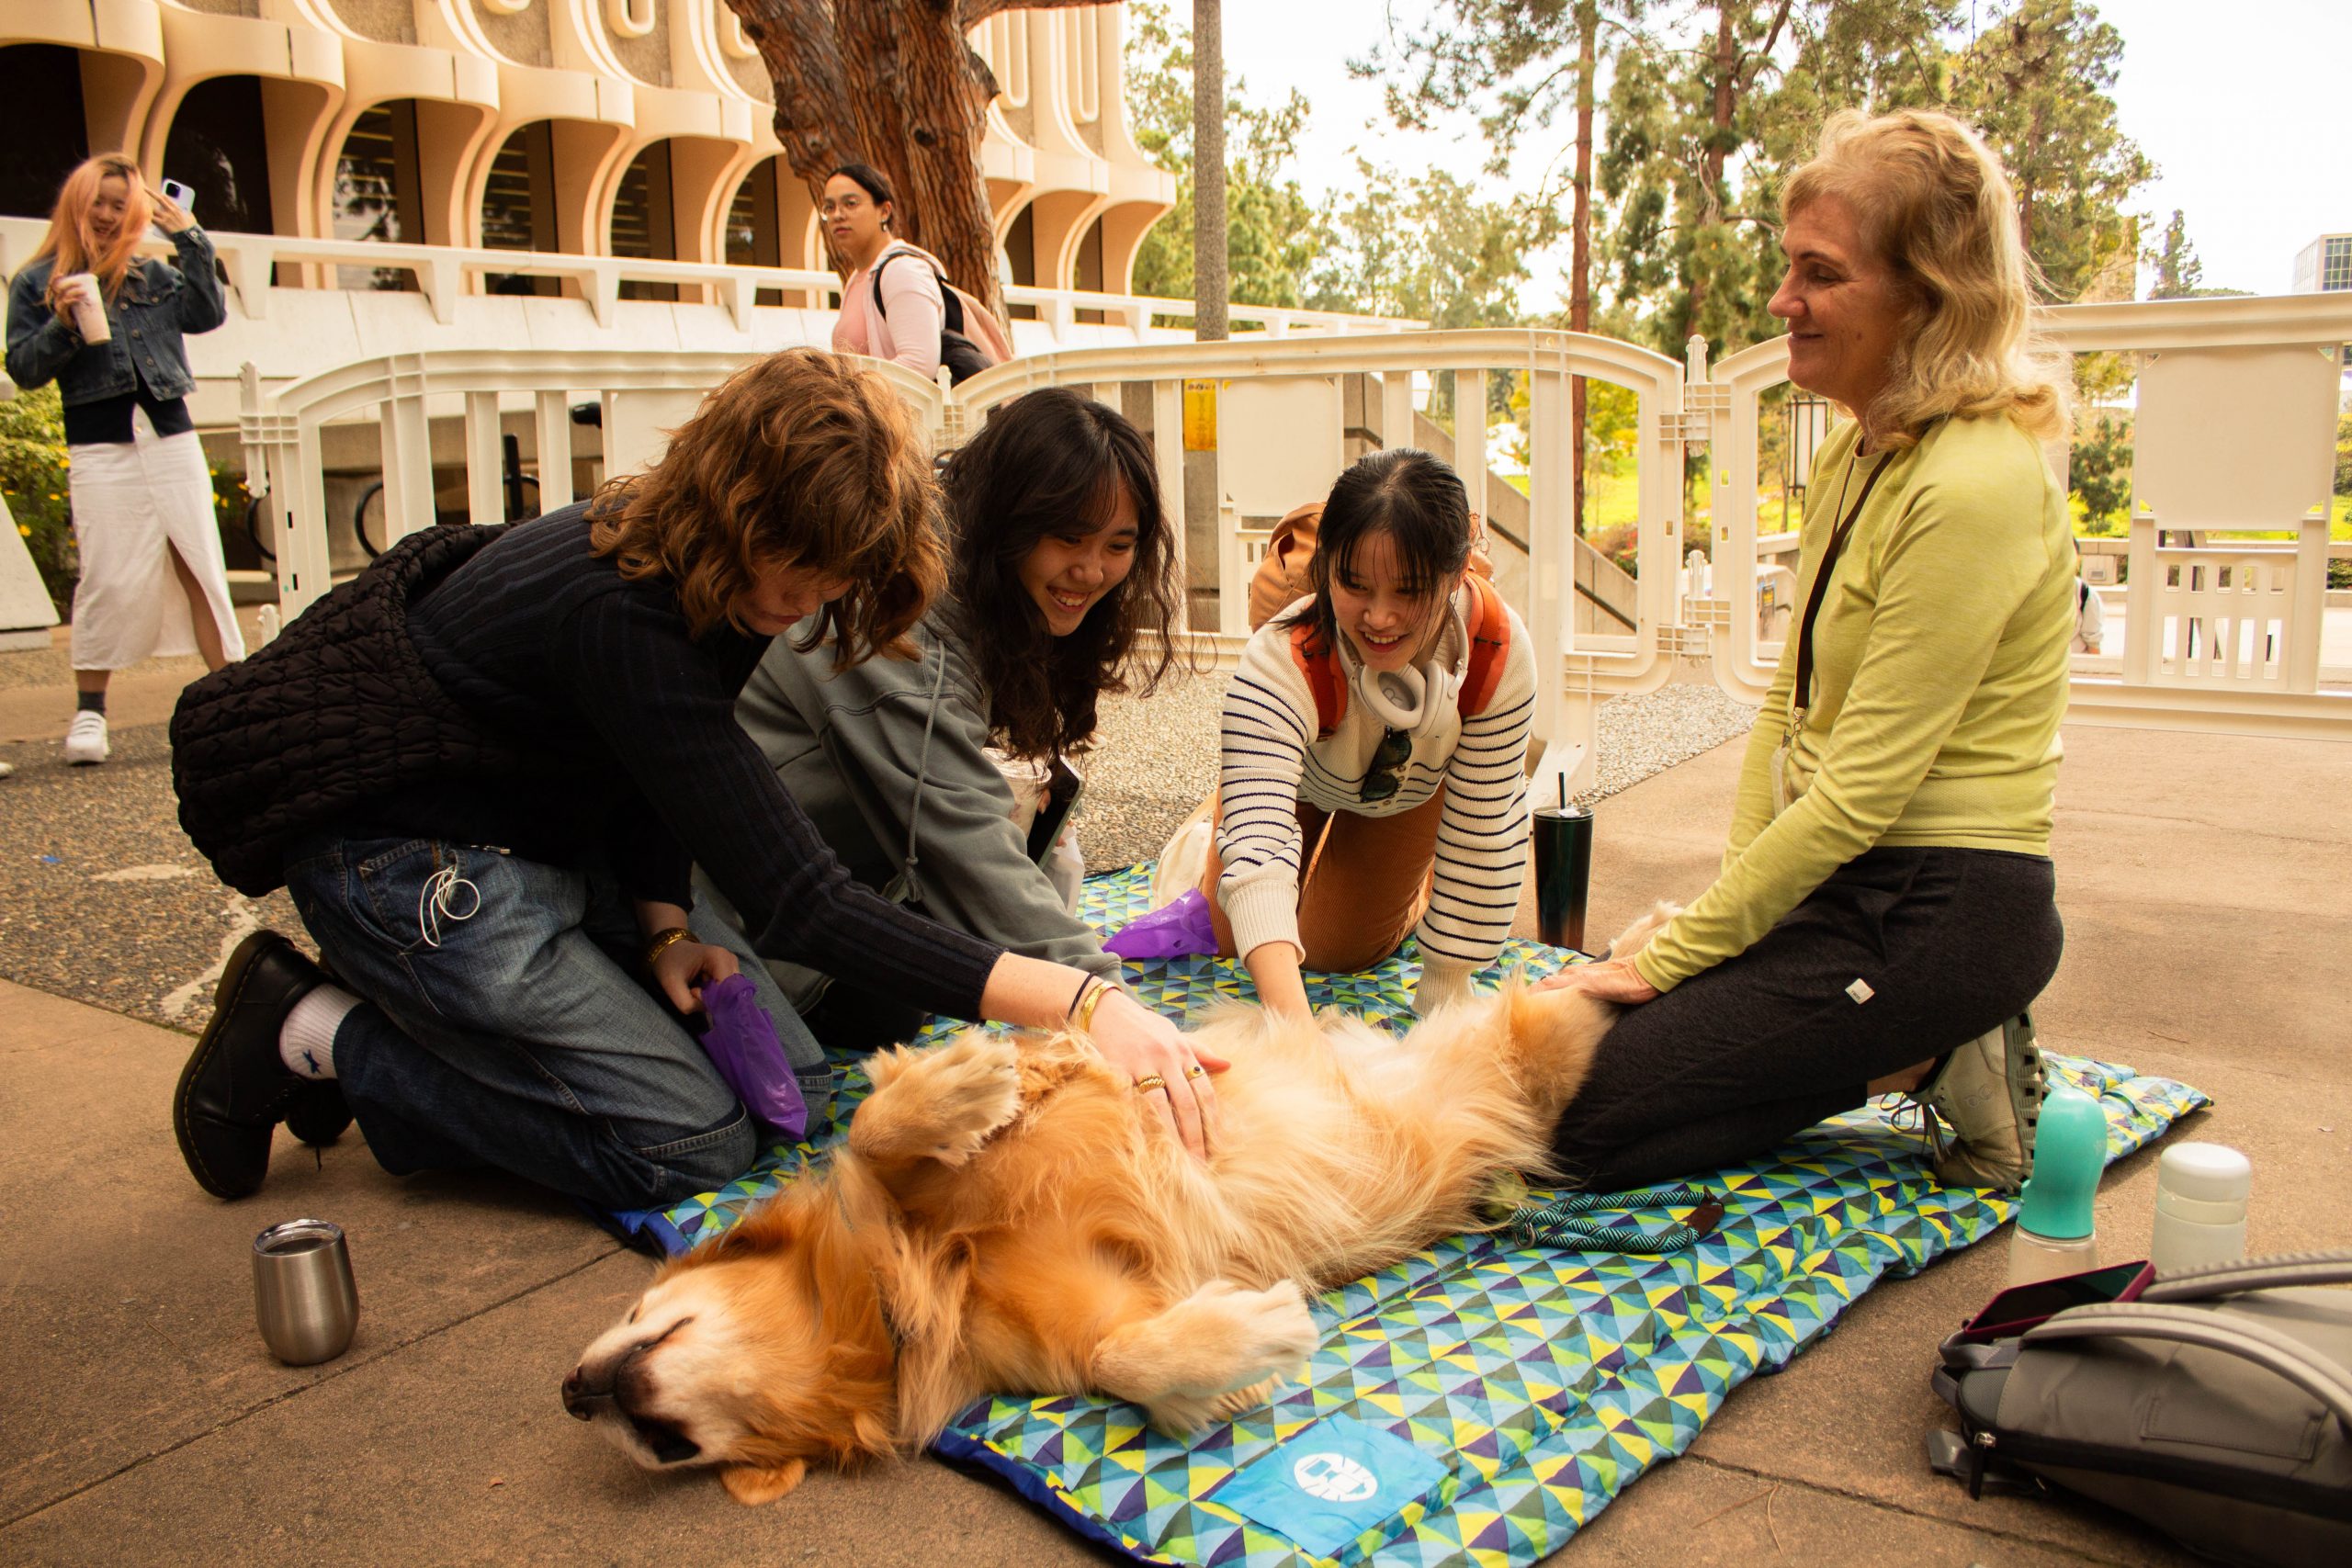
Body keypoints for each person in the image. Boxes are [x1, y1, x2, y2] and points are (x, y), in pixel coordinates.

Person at [167, 350, 1221, 1214]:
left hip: (545, 843)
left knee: (802, 1100)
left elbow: (641, 768)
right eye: (799, 566)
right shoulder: (624, 610)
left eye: (837, 573)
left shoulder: (725, 581)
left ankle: (433, 1023)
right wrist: (1084, 1002)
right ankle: (315, 1031)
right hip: (412, 862)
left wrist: (667, 925)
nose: (814, 598)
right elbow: (801, 901)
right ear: (734, 504)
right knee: (693, 1142)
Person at [1537, 107, 2076, 1193]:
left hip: (1944, 906)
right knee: (1552, 1078)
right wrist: (1724, 920)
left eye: (1818, 274)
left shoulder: (1973, 484)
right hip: (1845, 886)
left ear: (1926, 295)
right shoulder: (1862, 449)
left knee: (1572, 1129)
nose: (1782, 301)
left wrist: (1672, 959)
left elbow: (1862, 794)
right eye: (1789, 267)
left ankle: (1922, 1046)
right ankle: (1883, 1044)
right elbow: (1785, 715)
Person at [718, 386, 1183, 1055]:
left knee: (910, 1005)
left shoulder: (981, 584)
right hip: (725, 906)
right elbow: (962, 843)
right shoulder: (897, 620)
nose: (1092, 568)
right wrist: (1104, 1005)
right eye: (1068, 536)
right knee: (751, 1106)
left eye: (1118, 544)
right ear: (1010, 519)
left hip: (832, 887)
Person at [1205, 448, 1536, 1021]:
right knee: (1235, 933)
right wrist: (1294, 1032)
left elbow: (1487, 826)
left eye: (1408, 591)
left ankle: (1414, 887)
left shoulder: (1498, 654)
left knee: (1332, 953)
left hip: (1410, 797)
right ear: (1329, 566)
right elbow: (1259, 841)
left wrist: (1444, 993)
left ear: (1457, 574)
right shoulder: (1280, 655)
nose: (1379, 618)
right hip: (1303, 783)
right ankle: (1212, 815)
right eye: (1355, 586)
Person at [6, 153, 242, 766]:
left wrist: (188, 236)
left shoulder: (153, 274)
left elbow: (207, 312)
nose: (108, 215)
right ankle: (90, 713)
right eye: (98, 201)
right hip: (100, 446)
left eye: (120, 203)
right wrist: (62, 323)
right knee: (106, 575)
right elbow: (26, 369)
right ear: (76, 204)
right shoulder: (37, 282)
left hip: (169, 437)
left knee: (200, 565)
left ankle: (235, 699)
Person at [824, 163, 944, 380]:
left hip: (898, 412)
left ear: (884, 211)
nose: (838, 215)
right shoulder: (858, 278)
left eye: (850, 204)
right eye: (829, 207)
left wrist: (846, 393)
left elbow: (920, 365)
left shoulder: (902, 271)